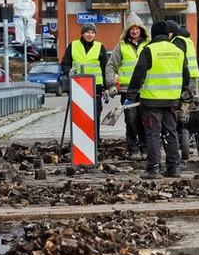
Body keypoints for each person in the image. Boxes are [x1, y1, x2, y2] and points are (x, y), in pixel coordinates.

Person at [125, 20, 190, 179]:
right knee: (171, 132)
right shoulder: (178, 50)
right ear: (168, 34)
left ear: (153, 34)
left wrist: (130, 96)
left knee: (153, 134)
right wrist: (180, 93)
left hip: (152, 101)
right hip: (172, 101)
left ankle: (153, 168)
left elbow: (138, 75)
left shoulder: (149, 50)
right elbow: (186, 77)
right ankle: (173, 168)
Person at [105, 13, 149, 159]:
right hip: (127, 90)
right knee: (131, 121)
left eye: (137, 28)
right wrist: (111, 84)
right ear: (127, 31)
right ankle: (133, 149)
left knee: (145, 120)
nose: (134, 31)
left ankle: (145, 148)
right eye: (132, 29)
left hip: (145, 90)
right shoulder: (121, 47)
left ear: (141, 29)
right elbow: (111, 66)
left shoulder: (147, 45)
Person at [61, 23, 110, 147]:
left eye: (93, 33)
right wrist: (69, 71)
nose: (90, 35)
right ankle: (79, 142)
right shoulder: (73, 46)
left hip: (96, 87)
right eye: (88, 32)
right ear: (82, 33)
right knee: (79, 115)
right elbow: (65, 64)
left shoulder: (100, 47)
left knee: (95, 115)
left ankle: (95, 142)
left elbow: (106, 68)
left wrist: (106, 87)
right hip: (78, 86)